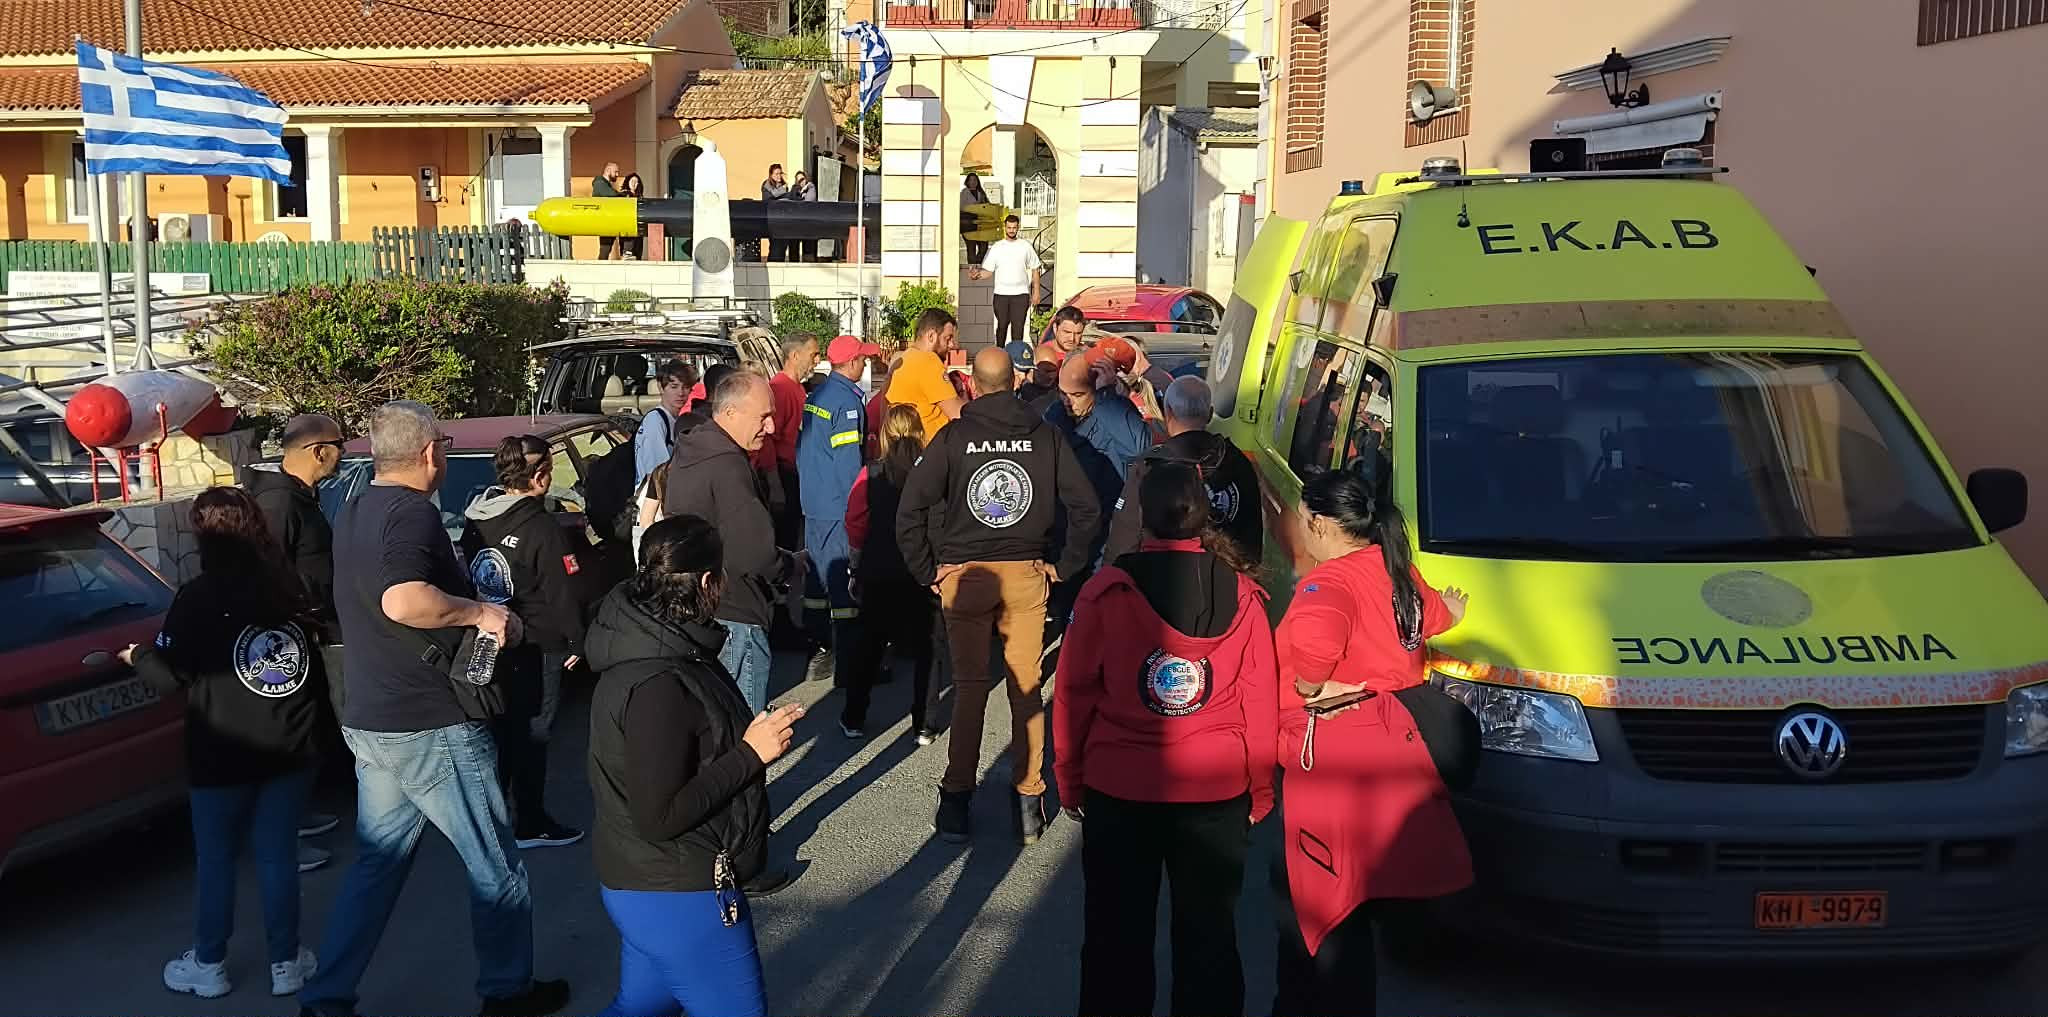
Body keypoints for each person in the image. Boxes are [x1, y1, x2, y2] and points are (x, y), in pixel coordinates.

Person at [298, 401, 566, 1017]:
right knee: (495, 865)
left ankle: (326, 997)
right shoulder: (412, 512)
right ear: (429, 453)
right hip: (429, 722)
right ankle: (508, 992)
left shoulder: (356, 506)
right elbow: (402, 600)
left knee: (376, 868)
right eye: (442, 445)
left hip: (372, 717)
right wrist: (480, 612)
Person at [1055, 462, 1279, 1017]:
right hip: (1214, 790)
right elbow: (1259, 702)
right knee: (1209, 939)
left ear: (1143, 517)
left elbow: (1073, 694)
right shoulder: (1243, 595)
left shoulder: (1107, 592)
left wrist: (1069, 777)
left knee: (1115, 940)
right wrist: (1260, 788)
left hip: (1121, 787)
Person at [585, 515, 807, 1017]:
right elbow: (659, 816)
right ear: (708, 582)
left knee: (643, 1005)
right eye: (722, 574)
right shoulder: (658, 683)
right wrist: (752, 753)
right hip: (677, 892)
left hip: (643, 884)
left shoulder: (664, 645)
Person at [1272, 468, 1472, 1017]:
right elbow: (1435, 615)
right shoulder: (1395, 569)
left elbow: (1314, 653)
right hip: (1398, 749)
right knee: (1374, 886)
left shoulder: (1326, 586)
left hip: (1334, 763)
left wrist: (1312, 685)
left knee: (1322, 909)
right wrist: (1453, 611)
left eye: (1303, 519)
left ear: (1319, 523)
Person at [897, 347, 1102, 846]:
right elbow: (1087, 508)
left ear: (973, 385)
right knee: (1025, 687)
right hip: (1026, 573)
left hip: (965, 575)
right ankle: (1030, 801)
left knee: (969, 688)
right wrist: (1065, 566)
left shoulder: (953, 437)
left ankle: (956, 802)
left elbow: (910, 509)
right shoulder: (1046, 435)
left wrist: (927, 571)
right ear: (1013, 382)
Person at [127, 487, 324, 1000]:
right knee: (277, 856)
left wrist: (137, 657)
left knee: (216, 861)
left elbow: (170, 677)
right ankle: (286, 963)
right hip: (289, 745)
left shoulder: (197, 597)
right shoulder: (288, 585)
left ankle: (210, 963)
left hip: (220, 751)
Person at [460, 436, 590, 850]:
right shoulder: (541, 527)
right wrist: (578, 640)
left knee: (500, 730)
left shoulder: (476, 519)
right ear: (540, 476)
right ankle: (530, 821)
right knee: (533, 733)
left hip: (491, 636)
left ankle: (495, 814)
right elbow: (562, 592)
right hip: (539, 642)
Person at [241, 412, 346, 873]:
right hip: (285, 641)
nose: (342, 454)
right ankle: (280, 839)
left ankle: (298, 815)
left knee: (307, 730)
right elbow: (268, 575)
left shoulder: (300, 496)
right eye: (339, 446)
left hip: (308, 630)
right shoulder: (279, 503)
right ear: (319, 451)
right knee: (287, 736)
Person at [664, 371, 781, 714]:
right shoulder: (729, 465)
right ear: (730, 413)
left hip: (699, 606)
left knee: (714, 717)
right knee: (744, 725)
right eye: (763, 417)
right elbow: (756, 552)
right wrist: (788, 566)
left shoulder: (691, 450)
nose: (771, 427)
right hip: (736, 610)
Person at [843, 404, 943, 743]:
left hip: (879, 568)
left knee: (868, 645)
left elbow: (855, 522)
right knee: (928, 649)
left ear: (885, 434)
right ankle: (924, 723)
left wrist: (856, 564)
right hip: (922, 570)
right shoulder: (933, 473)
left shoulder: (871, 474)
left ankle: (854, 717)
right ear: (920, 433)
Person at [798, 335, 880, 708]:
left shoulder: (816, 396)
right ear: (850, 363)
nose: (865, 364)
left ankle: (819, 651)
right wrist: (858, 506)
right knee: (843, 585)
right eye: (862, 359)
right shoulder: (847, 403)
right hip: (836, 505)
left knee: (816, 582)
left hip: (815, 502)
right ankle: (848, 666)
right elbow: (849, 465)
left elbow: (805, 450)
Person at [1105, 377, 1262, 564]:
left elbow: (1125, 536)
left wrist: (1113, 573)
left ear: (1168, 413)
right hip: (1229, 572)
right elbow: (1252, 530)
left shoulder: (1151, 465)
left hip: (1167, 572)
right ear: (1210, 414)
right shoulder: (1237, 460)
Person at [886, 308, 965, 441]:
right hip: (930, 447)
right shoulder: (929, 361)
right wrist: (964, 393)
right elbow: (959, 413)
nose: (952, 345)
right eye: (948, 338)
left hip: (905, 445)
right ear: (931, 336)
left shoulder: (903, 359)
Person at [969, 214, 1041, 351]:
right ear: (1005, 227)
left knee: (1018, 328)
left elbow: (1035, 268)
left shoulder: (1025, 246)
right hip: (1001, 295)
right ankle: (999, 354)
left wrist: (1036, 292)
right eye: (1009, 227)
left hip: (1021, 295)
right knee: (1001, 326)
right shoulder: (997, 247)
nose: (1011, 230)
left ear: (1018, 228)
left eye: (1014, 228)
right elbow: (988, 271)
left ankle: (1016, 357)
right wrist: (977, 275)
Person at [636, 359, 697, 490]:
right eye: (674, 387)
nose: (681, 393)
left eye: (686, 387)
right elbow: (656, 474)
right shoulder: (655, 421)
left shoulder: (675, 419)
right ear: (660, 387)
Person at [761, 164, 791, 261]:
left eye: (780, 173)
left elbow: (788, 198)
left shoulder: (784, 186)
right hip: (772, 219)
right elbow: (768, 199)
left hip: (784, 219)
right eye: (776, 174)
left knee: (783, 245)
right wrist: (782, 193)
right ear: (771, 174)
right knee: (775, 246)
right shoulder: (767, 186)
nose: (779, 176)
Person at [594, 162, 622, 260]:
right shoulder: (600, 183)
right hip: (604, 220)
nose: (617, 174)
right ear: (608, 170)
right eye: (616, 172)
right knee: (605, 249)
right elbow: (612, 195)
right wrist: (621, 195)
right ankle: (600, 266)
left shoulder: (606, 185)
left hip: (608, 220)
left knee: (606, 248)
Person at [961, 172, 991, 264]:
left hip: (979, 225)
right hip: (967, 224)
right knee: (971, 248)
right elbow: (961, 207)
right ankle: (972, 268)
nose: (973, 182)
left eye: (975, 180)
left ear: (977, 181)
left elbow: (987, 205)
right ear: (967, 182)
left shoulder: (981, 193)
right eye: (971, 180)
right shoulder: (964, 193)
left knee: (984, 246)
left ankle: (977, 264)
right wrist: (974, 207)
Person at [620, 173, 647, 259]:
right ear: (628, 182)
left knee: (638, 250)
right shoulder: (623, 195)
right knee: (628, 249)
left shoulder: (640, 197)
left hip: (638, 226)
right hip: (627, 226)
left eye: (636, 182)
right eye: (632, 181)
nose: (634, 183)